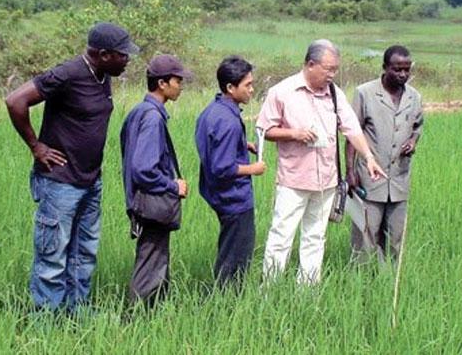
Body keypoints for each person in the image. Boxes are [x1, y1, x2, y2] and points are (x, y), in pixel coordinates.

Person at [5, 22, 139, 311]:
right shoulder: (67, 74)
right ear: (104, 54)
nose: (127, 60)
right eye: (123, 55)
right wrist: (36, 146)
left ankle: (76, 314)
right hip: (60, 183)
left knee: (84, 254)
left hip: (90, 181)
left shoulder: (104, 75)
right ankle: (47, 324)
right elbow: (15, 101)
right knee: (52, 257)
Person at [257, 39, 387, 285]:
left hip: (326, 181)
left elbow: (351, 128)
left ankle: (307, 292)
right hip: (293, 180)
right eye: (328, 69)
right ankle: (269, 290)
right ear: (310, 64)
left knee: (315, 238)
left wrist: (368, 157)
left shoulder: (335, 94)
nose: (332, 74)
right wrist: (294, 133)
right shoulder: (282, 92)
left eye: (335, 69)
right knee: (281, 237)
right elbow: (265, 130)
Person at [120, 54, 191, 304]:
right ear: (162, 83)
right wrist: (173, 185)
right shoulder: (151, 117)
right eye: (177, 80)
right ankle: (137, 320)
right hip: (152, 204)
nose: (181, 86)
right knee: (151, 264)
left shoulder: (139, 112)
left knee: (154, 260)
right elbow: (143, 169)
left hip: (142, 202)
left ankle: (154, 315)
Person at [346, 45, 424, 264]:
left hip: (399, 178)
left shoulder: (414, 97)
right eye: (397, 69)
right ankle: (361, 282)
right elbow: (353, 133)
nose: (403, 75)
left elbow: (417, 126)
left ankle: (387, 282)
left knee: (394, 238)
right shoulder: (365, 93)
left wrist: (413, 141)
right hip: (370, 178)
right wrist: (350, 171)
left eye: (407, 70)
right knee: (365, 236)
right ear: (384, 68)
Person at [195, 56, 266, 287]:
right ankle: (226, 301)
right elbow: (222, 167)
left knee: (229, 250)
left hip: (217, 194)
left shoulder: (212, 111)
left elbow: (212, 144)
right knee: (235, 258)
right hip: (233, 198)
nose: (252, 90)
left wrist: (241, 145)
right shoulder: (228, 121)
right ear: (230, 87)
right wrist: (253, 169)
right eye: (247, 85)